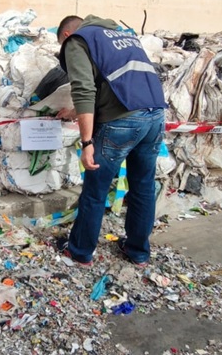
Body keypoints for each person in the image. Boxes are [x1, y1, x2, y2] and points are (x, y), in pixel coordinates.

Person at [55, 14, 166, 267]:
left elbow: (84, 88)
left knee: (95, 191)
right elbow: (115, 84)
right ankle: (138, 252)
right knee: (143, 186)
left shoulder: (77, 41)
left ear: (66, 36)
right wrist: (74, 113)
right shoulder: (122, 36)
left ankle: (80, 252)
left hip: (122, 123)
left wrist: (86, 142)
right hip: (155, 115)